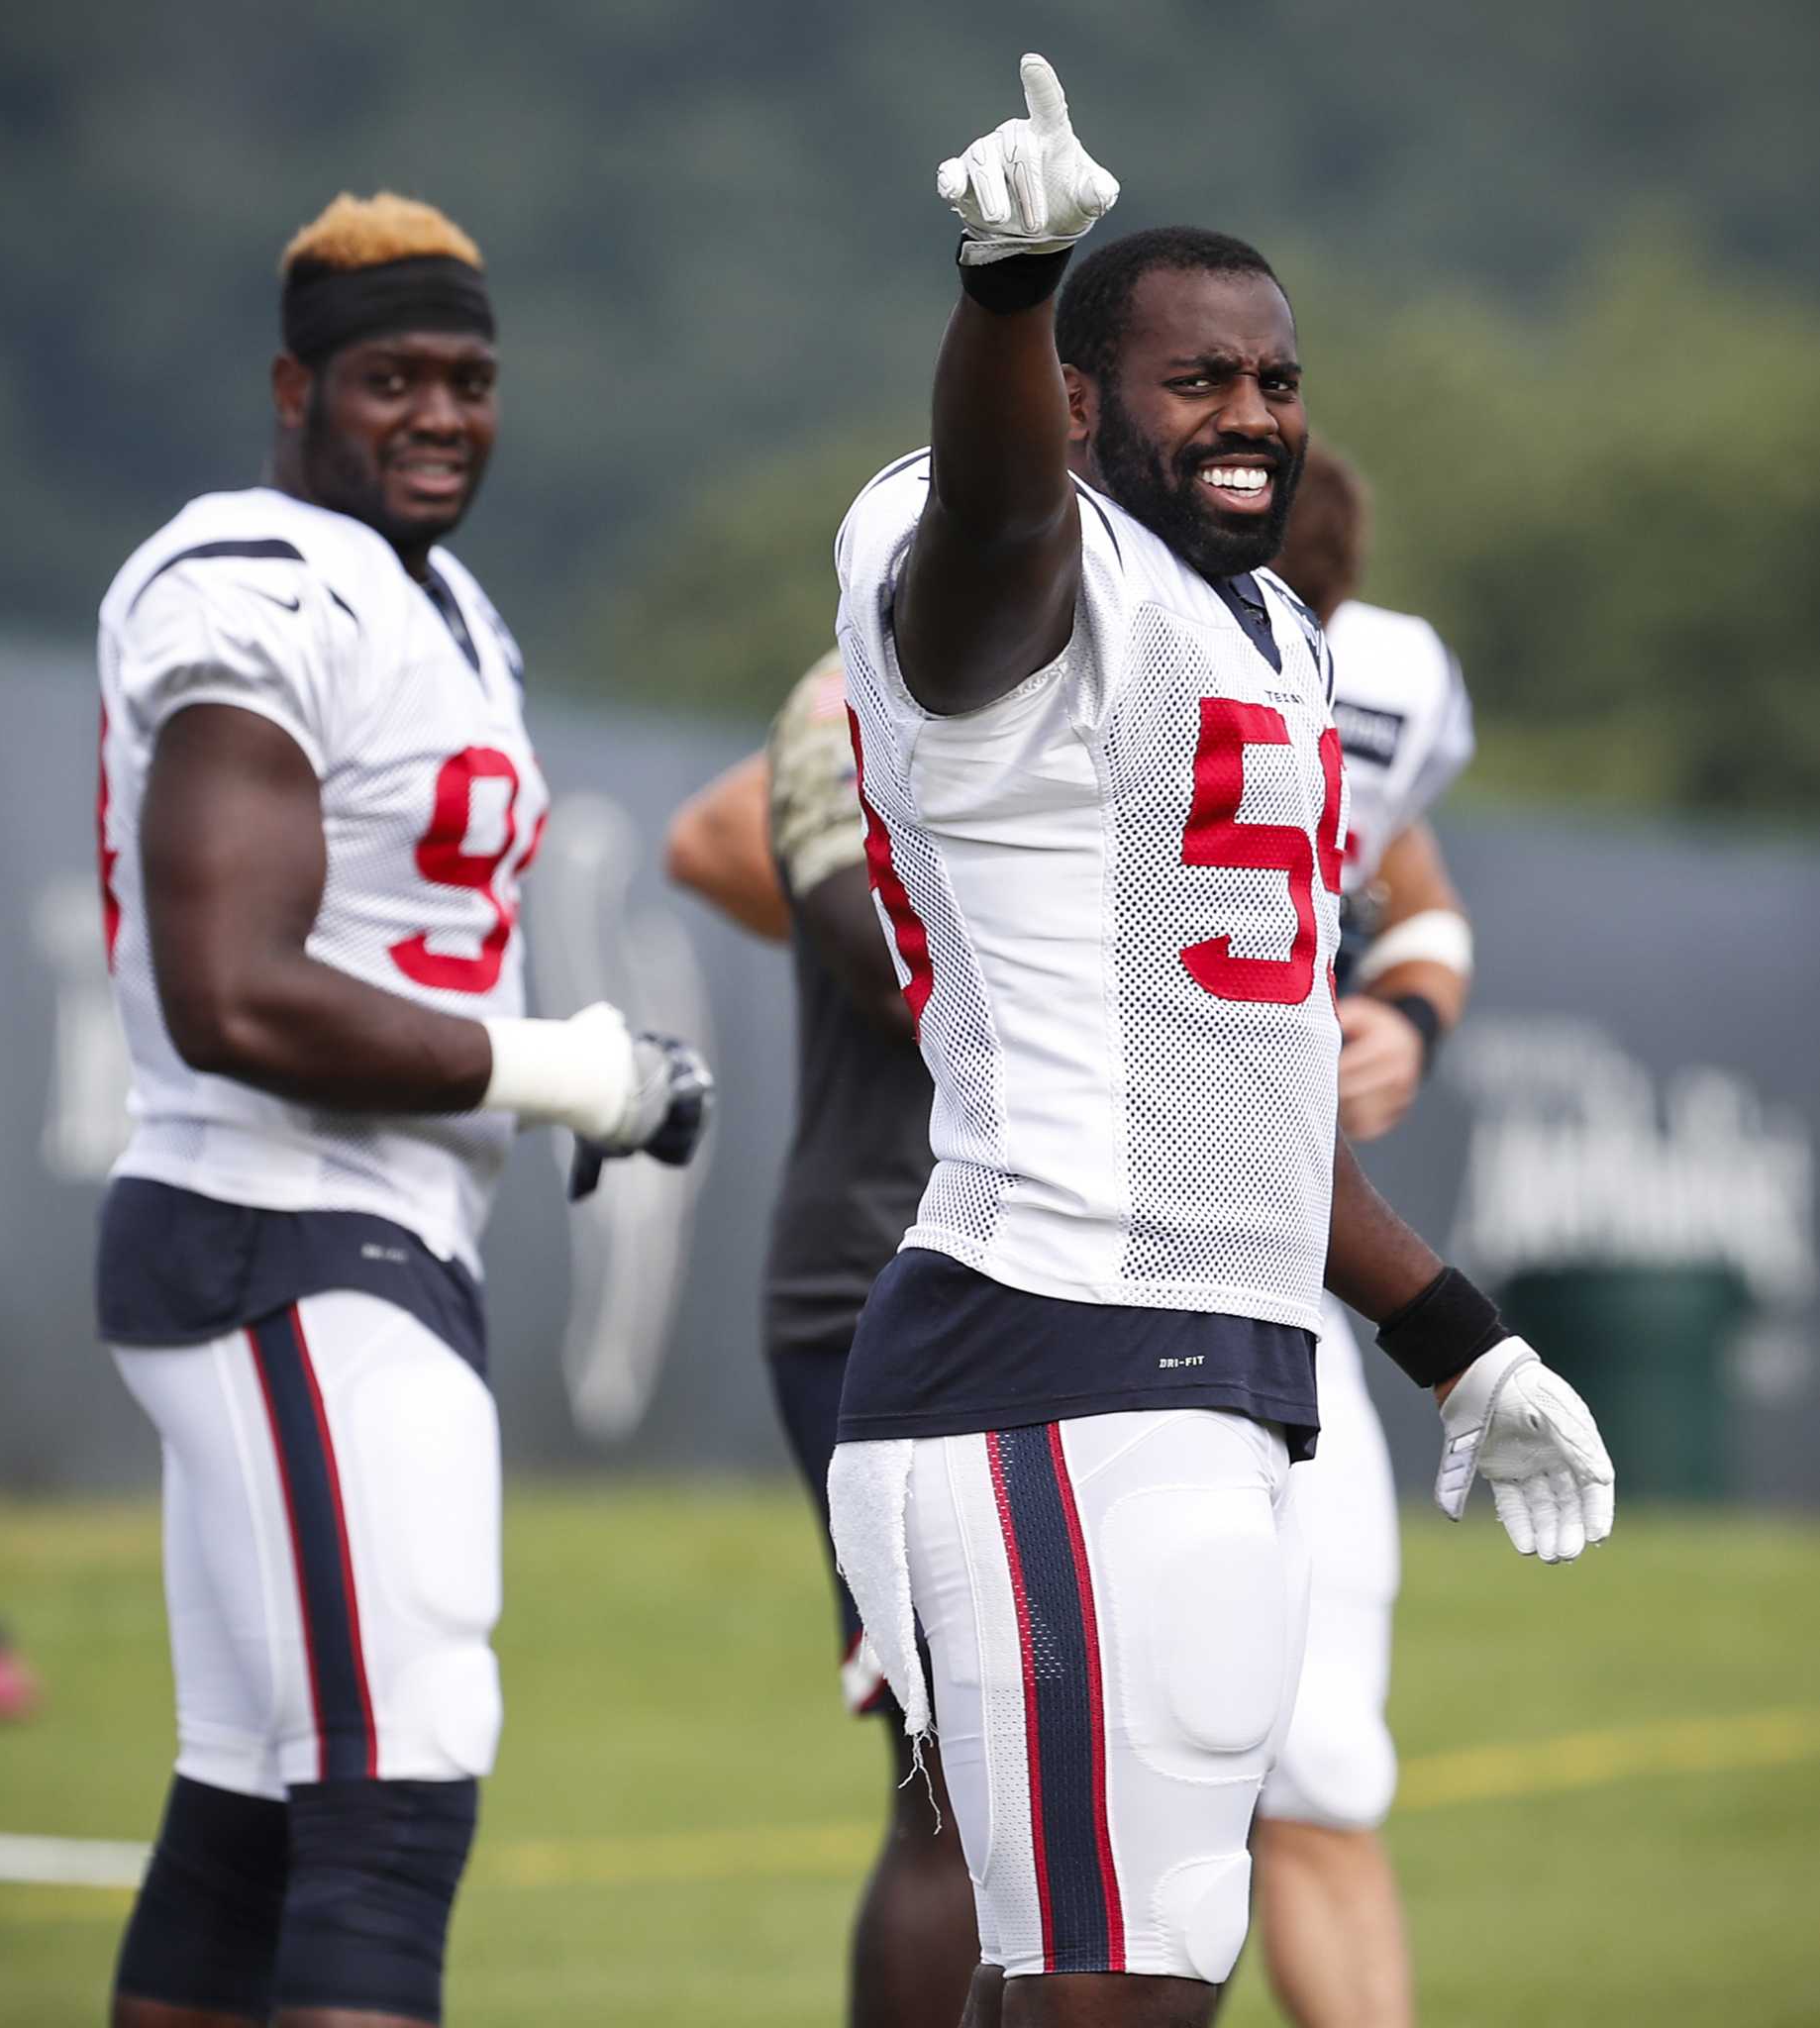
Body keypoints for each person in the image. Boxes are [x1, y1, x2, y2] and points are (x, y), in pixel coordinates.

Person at [822, 56, 1613, 2028]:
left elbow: (1246, 1098)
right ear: (1081, 403)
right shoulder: (1009, 554)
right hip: (1047, 1352)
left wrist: (1461, 1339)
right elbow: (996, 544)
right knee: (1121, 1985)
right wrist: (1006, 289)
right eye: (1200, 379)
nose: (1255, 415)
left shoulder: (1266, 632)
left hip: (1201, 1363)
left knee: (1126, 1975)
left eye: (1276, 378)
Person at [669, 448, 1472, 2028]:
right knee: (963, 1796)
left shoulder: (1280, 665)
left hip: (1167, 1280)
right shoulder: (920, 644)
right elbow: (722, 841)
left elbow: (1407, 888)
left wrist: (1405, 1010)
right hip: (933, 1258)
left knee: (1181, 1793)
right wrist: (1031, 956)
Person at [95, 192, 709, 2028]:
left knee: (255, 1812)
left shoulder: (439, 601)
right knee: (397, 1781)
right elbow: (234, 993)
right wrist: (567, 1069)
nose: (440, 414)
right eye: (392, 379)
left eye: (469, 377)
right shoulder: (256, 584)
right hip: (278, 1224)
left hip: (362, 1229)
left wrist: (544, 1081)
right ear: (296, 388)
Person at [668, 656, 976, 2028]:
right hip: (896, 1284)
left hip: (1096, 1279)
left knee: (1168, 1772)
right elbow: (877, 963)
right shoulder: (864, 662)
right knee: (955, 1786)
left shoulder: (1163, 632)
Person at [1250, 443, 1476, 2028]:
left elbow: (1415, 892)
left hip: (1281, 1262)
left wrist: (1403, 1007)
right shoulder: (1053, 631)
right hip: (1062, 1270)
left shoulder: (1370, 679)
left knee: (1322, 1761)